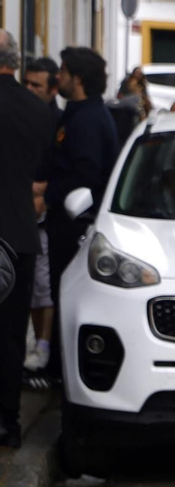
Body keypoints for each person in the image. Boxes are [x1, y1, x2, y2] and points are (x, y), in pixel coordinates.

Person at [43, 47, 119, 387]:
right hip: (64, 221)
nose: (58, 76)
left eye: (63, 71)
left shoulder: (87, 119)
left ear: (79, 79)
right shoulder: (77, 113)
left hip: (74, 225)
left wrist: (46, 195)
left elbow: (86, 175)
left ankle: (61, 374)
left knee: (68, 297)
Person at [0, 31, 57, 448]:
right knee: (9, 333)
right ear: (16, 63)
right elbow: (42, 178)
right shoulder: (37, 112)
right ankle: (6, 422)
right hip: (18, 235)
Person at [22, 57, 59, 379]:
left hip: (46, 215)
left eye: (37, 85)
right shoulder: (17, 114)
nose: (31, 90)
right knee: (32, 286)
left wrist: (44, 191)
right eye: (28, 83)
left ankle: (44, 346)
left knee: (44, 284)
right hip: (20, 212)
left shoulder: (59, 122)